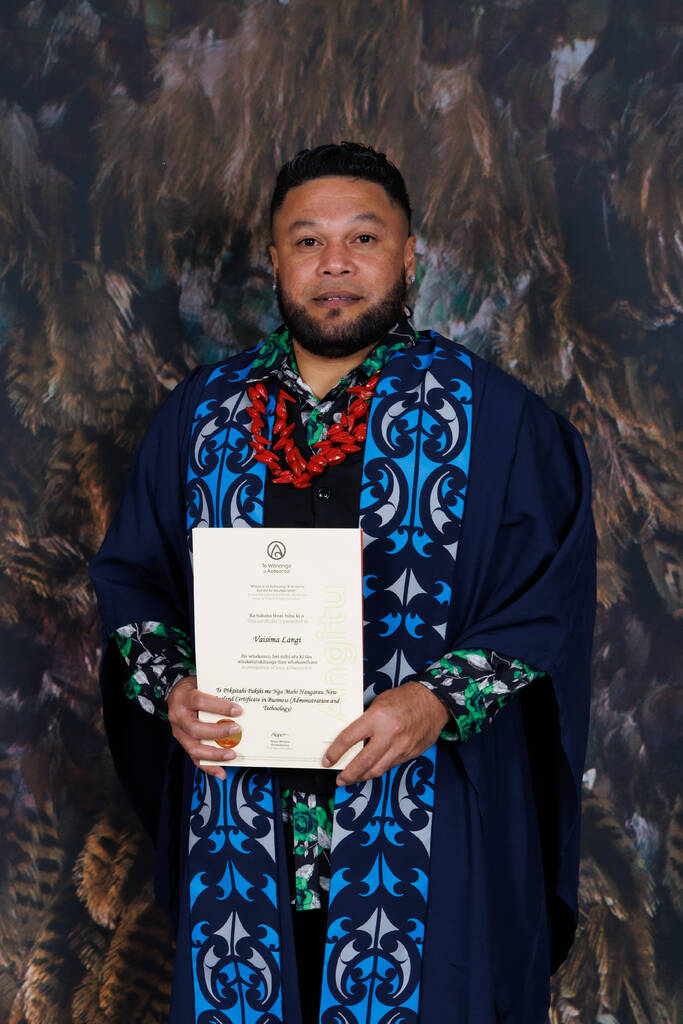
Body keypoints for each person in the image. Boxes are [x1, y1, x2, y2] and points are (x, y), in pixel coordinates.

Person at [90, 142, 596, 1024]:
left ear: (410, 256)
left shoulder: (495, 419)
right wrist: (169, 685)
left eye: (363, 238)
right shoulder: (201, 417)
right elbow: (135, 581)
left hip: (426, 826)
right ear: (274, 259)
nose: (334, 263)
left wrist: (439, 701)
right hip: (245, 829)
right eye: (306, 240)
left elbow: (545, 603)